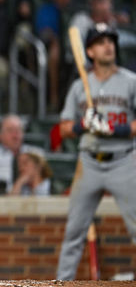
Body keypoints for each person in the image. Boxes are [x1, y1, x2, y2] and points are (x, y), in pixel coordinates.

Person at [56, 24, 136, 280]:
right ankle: (62, 283)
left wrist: (115, 128)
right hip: (89, 162)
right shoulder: (80, 87)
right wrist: (84, 125)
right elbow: (63, 128)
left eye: (110, 41)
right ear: (89, 51)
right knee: (73, 232)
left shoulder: (131, 81)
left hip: (123, 160)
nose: (108, 46)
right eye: (101, 42)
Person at [35, 0, 73, 111]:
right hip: (56, 47)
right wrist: (55, 40)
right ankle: (54, 97)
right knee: (55, 52)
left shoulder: (74, 10)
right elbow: (44, 31)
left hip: (75, 47)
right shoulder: (46, 9)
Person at [0, 114, 43, 192]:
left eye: (19, 130)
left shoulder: (36, 154)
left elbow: (44, 191)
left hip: (31, 201)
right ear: (0, 135)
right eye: (10, 130)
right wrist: (20, 182)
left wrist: (32, 181)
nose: (15, 135)